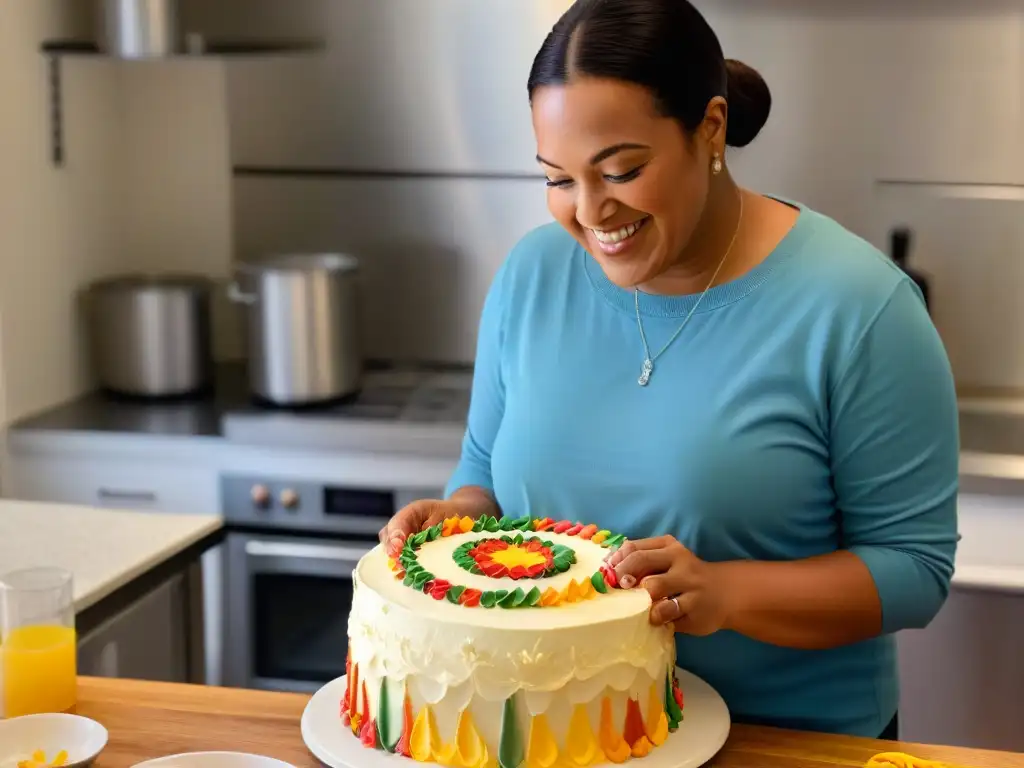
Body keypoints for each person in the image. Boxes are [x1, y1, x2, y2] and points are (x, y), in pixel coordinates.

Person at [380, 0, 959, 740]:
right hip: (562, 741)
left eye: (621, 170)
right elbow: (488, 475)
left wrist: (725, 593)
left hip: (782, 743)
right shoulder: (532, 275)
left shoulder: (860, 308)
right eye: (558, 178)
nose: (590, 212)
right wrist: (458, 522)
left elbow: (913, 572)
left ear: (710, 129)